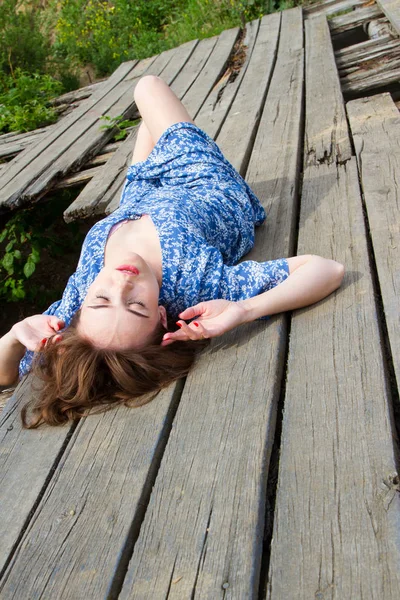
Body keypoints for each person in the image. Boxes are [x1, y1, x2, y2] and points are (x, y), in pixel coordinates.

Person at [0, 76, 345, 428]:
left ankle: (159, 146)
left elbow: (4, 374)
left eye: (101, 299)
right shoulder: (196, 287)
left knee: (146, 124)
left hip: (138, 198)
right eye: (137, 305)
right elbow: (327, 270)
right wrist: (244, 310)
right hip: (204, 185)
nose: (121, 284)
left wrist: (13, 336)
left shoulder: (72, 309)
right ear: (163, 317)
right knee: (147, 87)